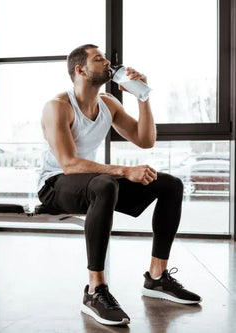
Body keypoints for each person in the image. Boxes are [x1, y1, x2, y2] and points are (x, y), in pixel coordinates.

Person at [37, 44, 201, 326]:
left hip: (92, 182)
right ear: (80, 70)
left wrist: (142, 96)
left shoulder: (108, 105)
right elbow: (68, 164)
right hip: (55, 185)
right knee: (105, 185)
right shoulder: (58, 106)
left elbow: (145, 140)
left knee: (170, 185)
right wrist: (125, 171)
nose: (107, 63)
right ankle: (95, 290)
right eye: (98, 59)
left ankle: (157, 277)